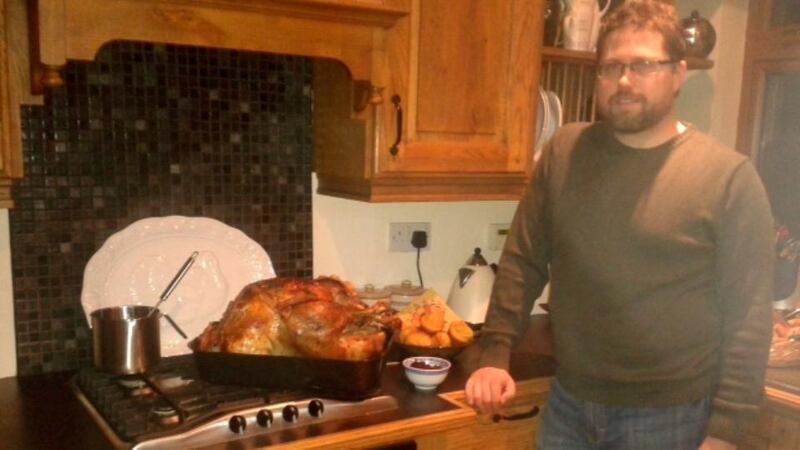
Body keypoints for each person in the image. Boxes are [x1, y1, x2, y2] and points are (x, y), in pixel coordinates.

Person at [464, 1, 774, 449]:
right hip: (569, 404)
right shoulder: (564, 152)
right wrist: (495, 353)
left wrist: (725, 430)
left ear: (678, 73)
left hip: (670, 418)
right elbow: (523, 259)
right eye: (611, 67)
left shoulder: (727, 178)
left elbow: (748, 316)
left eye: (644, 65)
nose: (624, 80)